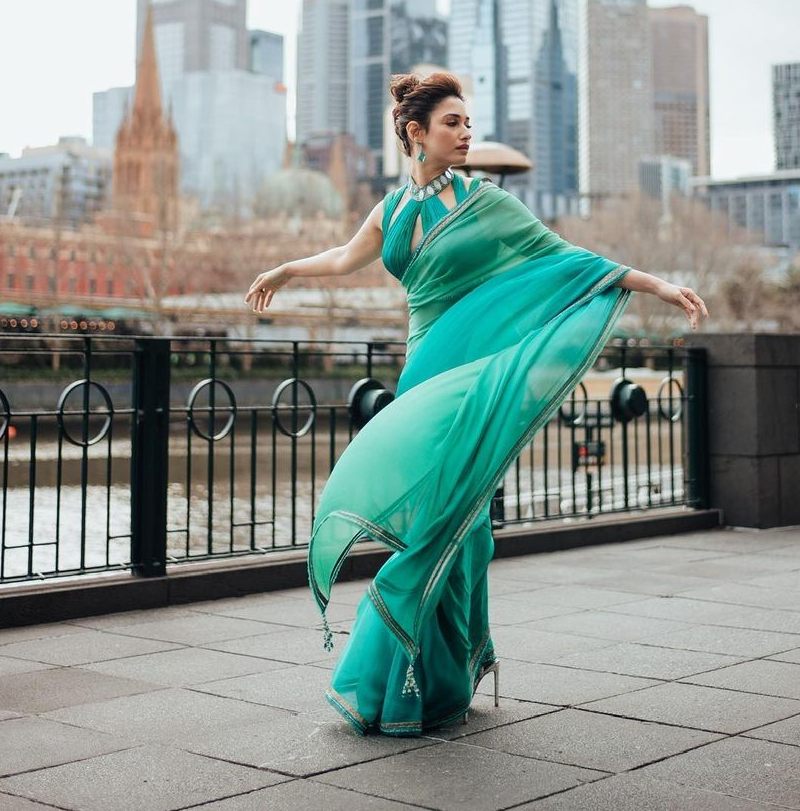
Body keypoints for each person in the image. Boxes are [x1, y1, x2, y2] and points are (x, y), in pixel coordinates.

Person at [244, 71, 709, 737]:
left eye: (468, 123)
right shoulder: (393, 210)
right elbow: (348, 257)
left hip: (468, 374)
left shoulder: (484, 202)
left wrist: (655, 283)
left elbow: (563, 259)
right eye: (453, 124)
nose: (467, 134)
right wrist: (288, 268)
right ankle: (421, 678)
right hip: (421, 374)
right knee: (437, 520)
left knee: (464, 529)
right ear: (415, 133)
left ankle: (436, 680)